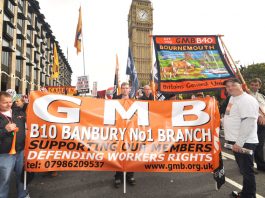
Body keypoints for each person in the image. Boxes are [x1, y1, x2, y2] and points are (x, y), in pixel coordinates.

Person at [223, 78, 259, 198]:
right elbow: (228, 115)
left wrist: (239, 143)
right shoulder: (232, 98)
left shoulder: (247, 100)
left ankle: (249, 195)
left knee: (247, 171)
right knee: (243, 170)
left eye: (233, 85)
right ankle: (245, 193)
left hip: (244, 142)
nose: (230, 88)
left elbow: (248, 122)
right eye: (227, 86)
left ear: (241, 85)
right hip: (235, 140)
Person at [0, 92, 29, 198]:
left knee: (22, 176)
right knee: (4, 179)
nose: (9, 105)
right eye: (5, 103)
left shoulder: (17, 111)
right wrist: (4, 130)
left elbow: (31, 109)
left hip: (20, 151)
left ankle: (23, 195)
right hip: (4, 154)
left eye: (10, 102)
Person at [112, 82, 136, 188]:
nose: (125, 90)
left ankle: (130, 175)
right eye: (124, 88)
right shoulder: (115, 100)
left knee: (130, 153)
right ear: (121, 89)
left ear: (129, 90)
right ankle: (118, 176)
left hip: (130, 131)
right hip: (118, 131)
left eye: (127, 88)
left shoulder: (134, 101)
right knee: (119, 154)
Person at [249, 78, 265, 171]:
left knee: (260, 145)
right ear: (250, 85)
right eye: (252, 84)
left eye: (256, 85)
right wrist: (259, 116)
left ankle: (261, 165)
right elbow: (251, 108)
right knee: (251, 145)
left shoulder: (262, 96)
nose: (254, 86)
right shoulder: (247, 95)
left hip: (262, 124)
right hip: (252, 123)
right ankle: (248, 166)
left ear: (259, 86)